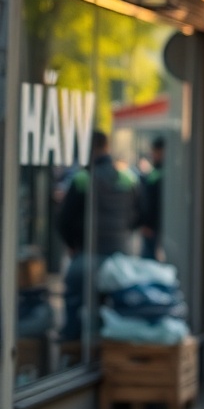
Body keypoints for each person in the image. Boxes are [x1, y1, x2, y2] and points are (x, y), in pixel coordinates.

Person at [57, 130, 142, 345]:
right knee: (111, 303)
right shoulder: (127, 178)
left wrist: (73, 245)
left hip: (89, 255)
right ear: (107, 146)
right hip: (120, 258)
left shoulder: (83, 178)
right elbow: (140, 213)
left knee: (74, 295)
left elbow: (64, 220)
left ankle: (72, 347)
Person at [139, 136, 165, 260]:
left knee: (148, 259)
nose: (152, 155)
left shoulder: (155, 176)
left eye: (154, 151)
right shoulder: (165, 173)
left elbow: (150, 202)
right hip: (160, 226)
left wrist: (147, 224)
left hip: (153, 228)